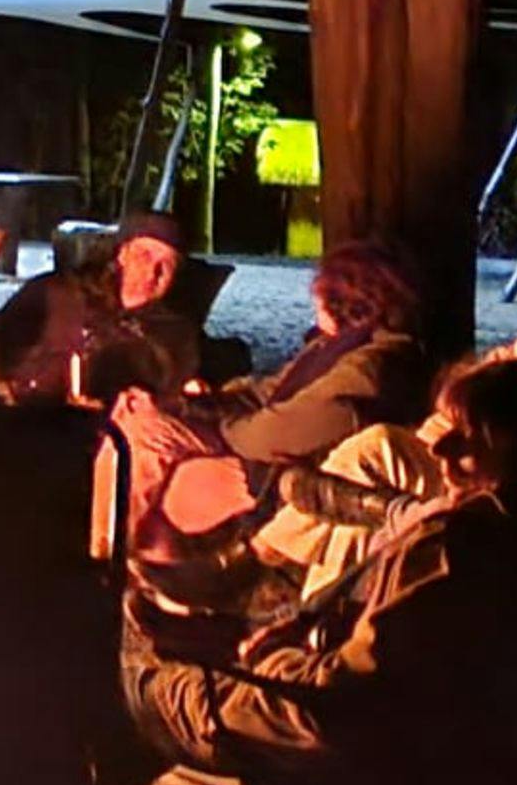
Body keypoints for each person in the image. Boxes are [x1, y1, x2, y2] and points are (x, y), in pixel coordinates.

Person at [118, 359, 517, 785]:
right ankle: (214, 645)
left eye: (465, 438)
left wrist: (270, 660)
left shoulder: (461, 545)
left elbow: (346, 695)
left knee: (135, 686)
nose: (440, 450)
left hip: (410, 780)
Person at [108, 241, 433, 568]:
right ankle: (130, 557)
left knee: (146, 434)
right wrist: (190, 405)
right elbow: (265, 391)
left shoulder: (368, 369)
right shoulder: (335, 347)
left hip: (268, 472)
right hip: (253, 444)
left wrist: (211, 424)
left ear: (343, 299)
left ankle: (105, 553)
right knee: (133, 412)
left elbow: (276, 432)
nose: (313, 301)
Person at [0, 210, 207, 404]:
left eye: (166, 264)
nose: (153, 272)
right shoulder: (56, 293)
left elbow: (173, 398)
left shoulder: (174, 334)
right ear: (122, 254)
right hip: (30, 421)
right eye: (144, 255)